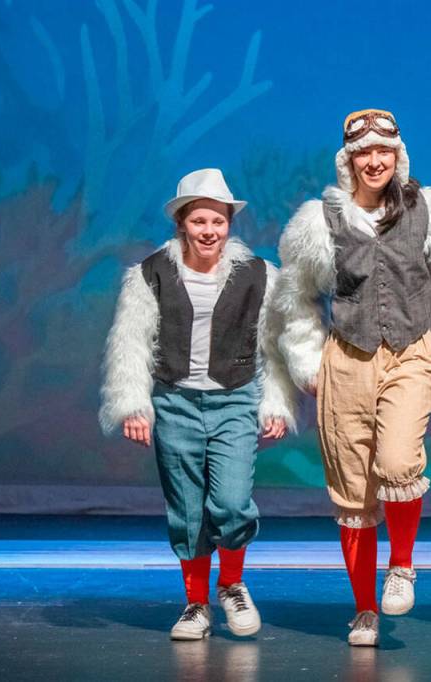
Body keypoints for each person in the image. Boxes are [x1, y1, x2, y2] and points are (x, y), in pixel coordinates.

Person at [270, 109, 431, 647]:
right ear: (348, 161)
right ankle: (364, 609)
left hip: (410, 352)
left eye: (385, 151)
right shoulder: (319, 222)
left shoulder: (430, 210)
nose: (375, 161)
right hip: (347, 358)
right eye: (364, 153)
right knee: (354, 495)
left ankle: (401, 564)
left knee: (399, 462)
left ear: (399, 156)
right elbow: (296, 297)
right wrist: (307, 360)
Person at [99, 168, 296, 640]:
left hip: (234, 400)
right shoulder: (150, 274)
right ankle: (196, 605)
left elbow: (276, 344)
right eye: (199, 221)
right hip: (175, 402)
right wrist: (133, 403)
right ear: (182, 224)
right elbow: (130, 341)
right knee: (187, 510)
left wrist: (276, 401)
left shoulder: (259, 275)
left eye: (218, 221)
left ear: (229, 224)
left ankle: (232, 585)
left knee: (231, 502)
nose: (209, 231)